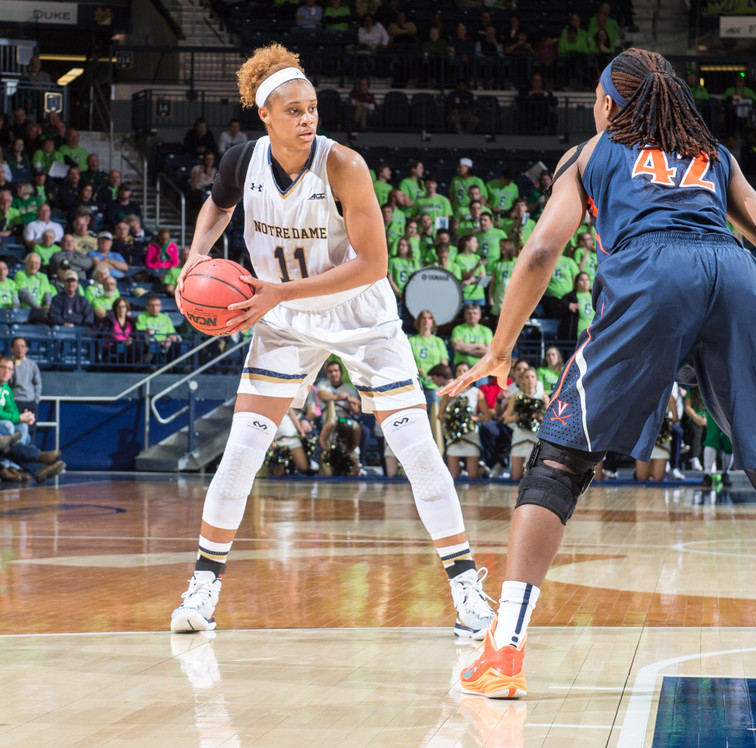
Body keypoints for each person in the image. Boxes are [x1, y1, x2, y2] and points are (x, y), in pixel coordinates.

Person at [442, 48, 756, 700]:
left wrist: (500, 347)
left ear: (607, 104)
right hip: (736, 277)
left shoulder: (592, 153)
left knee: (559, 463)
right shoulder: (714, 155)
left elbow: (541, 249)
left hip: (653, 277)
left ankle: (504, 651)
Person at [168, 44, 494, 642]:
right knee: (240, 452)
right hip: (283, 318)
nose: (307, 118)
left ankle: (467, 590)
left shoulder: (343, 165)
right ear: (265, 115)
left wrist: (279, 293)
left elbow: (374, 265)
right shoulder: (241, 161)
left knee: (418, 451)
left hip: (360, 316)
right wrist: (195, 259)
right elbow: (216, 207)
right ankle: (203, 588)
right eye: (294, 110)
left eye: (312, 108)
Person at [436, 362, 490, 479]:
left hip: (471, 434)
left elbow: (486, 416)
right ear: (455, 374)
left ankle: (483, 470)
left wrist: (474, 418)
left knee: (472, 474)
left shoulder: (477, 393)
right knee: (453, 475)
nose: (461, 373)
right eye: (459, 371)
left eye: (464, 371)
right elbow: (440, 415)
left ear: (470, 373)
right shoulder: (450, 392)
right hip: (453, 435)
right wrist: (451, 420)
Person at [503, 366, 548, 480]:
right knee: (516, 475)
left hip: (536, 436)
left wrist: (540, 417)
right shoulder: (516, 395)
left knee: (534, 475)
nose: (530, 379)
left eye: (532, 377)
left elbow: (551, 418)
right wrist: (520, 416)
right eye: (527, 377)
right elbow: (507, 419)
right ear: (522, 380)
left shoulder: (542, 396)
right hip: (520, 435)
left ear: (536, 379)